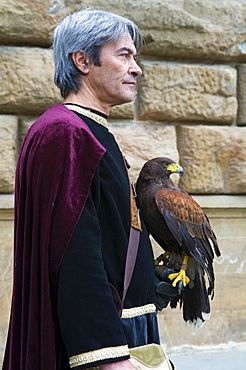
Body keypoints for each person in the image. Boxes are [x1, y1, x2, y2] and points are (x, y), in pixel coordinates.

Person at [3, 9, 173, 370]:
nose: (136, 68)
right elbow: (75, 255)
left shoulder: (84, 129)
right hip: (101, 346)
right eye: (124, 55)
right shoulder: (67, 133)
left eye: (135, 57)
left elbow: (105, 235)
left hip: (124, 326)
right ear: (82, 60)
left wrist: (151, 279)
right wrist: (108, 357)